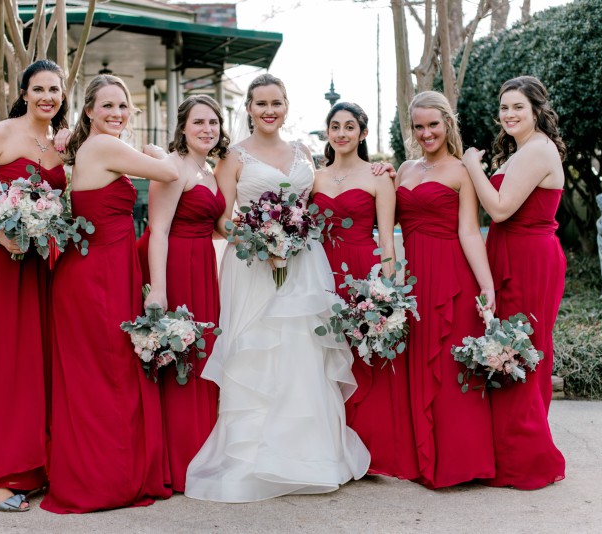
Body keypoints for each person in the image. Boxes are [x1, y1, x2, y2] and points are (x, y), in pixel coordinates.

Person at [185, 74, 370, 502]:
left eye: (277, 102)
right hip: (252, 264)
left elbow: (335, 183)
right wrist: (258, 240)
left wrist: (378, 167)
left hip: (304, 262)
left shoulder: (304, 151)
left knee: (303, 350)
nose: (269, 110)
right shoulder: (232, 157)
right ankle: (252, 457)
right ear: (248, 108)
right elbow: (220, 217)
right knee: (256, 349)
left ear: (287, 106)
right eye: (261, 103)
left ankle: (310, 453)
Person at [40, 74, 179, 514]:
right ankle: (106, 480)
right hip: (96, 275)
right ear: (89, 111)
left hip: (104, 269)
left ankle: (112, 471)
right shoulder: (103, 147)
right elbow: (170, 171)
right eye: (108, 106)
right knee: (107, 375)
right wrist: (155, 149)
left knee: (108, 374)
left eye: (124, 106)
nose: (117, 113)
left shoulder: (95, 148)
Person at [0, 59, 68, 512]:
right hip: (0, 258)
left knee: (36, 362)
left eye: (55, 90)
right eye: (39, 88)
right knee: (1, 361)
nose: (47, 97)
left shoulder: (62, 143)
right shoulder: (0, 135)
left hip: (43, 264)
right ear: (24, 93)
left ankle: (30, 465)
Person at [462, 75, 566, 489]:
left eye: (517, 107)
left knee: (521, 351)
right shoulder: (523, 151)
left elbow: (501, 209)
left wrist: (472, 164)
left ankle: (528, 459)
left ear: (537, 110)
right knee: (506, 348)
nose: (508, 115)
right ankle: (509, 452)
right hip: (510, 253)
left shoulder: (538, 150)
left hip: (528, 259)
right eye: (504, 108)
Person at [310, 101, 418, 480]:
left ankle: (376, 450)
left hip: (362, 272)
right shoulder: (314, 178)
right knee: (325, 359)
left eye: (349, 126)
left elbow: (388, 242)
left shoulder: (379, 177)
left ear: (362, 133)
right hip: (321, 273)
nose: (341, 133)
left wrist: (386, 292)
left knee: (365, 356)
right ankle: (332, 449)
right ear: (327, 132)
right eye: (335, 126)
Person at [395, 90, 496, 489]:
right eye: (418, 127)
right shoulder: (403, 169)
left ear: (447, 123)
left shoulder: (461, 170)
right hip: (413, 279)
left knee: (451, 368)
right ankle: (423, 460)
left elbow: (470, 230)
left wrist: (486, 285)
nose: (426, 133)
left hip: (452, 276)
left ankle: (459, 462)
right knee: (419, 366)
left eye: (432, 125)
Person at [136, 95, 228, 492]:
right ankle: (179, 459)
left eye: (214, 122)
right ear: (183, 127)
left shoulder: (207, 169)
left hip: (203, 264)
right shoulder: (172, 167)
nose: (208, 129)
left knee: (202, 355)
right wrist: (158, 289)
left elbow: (217, 226)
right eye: (199, 122)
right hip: (176, 266)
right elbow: (158, 229)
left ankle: (203, 453)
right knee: (179, 357)